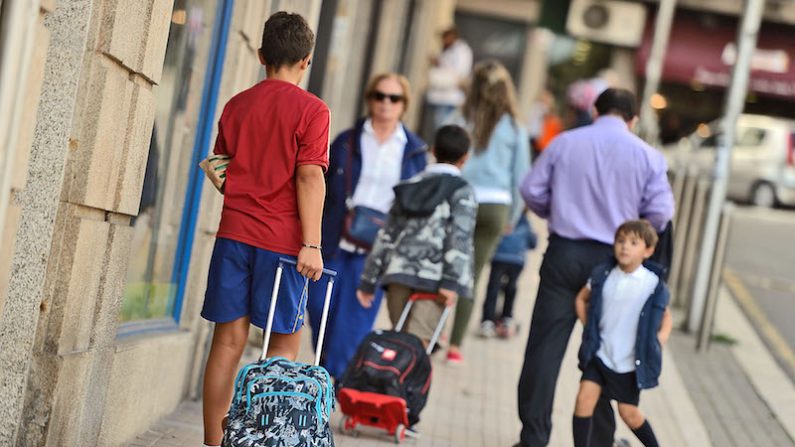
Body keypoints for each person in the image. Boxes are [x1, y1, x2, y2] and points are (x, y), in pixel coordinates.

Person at [515, 88, 675, 447]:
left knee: (544, 349)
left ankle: (534, 437)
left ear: (594, 109)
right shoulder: (648, 156)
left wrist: (555, 212)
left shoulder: (564, 143)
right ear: (633, 119)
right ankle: (599, 441)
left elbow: (531, 190)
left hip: (564, 253)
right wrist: (633, 239)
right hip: (614, 262)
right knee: (607, 347)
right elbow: (661, 214)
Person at [198, 12, 329, 447]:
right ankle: (268, 438)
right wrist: (311, 243)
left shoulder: (237, 105)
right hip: (283, 245)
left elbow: (221, 167)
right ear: (306, 61)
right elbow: (310, 176)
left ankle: (213, 442)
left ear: (261, 56)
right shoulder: (313, 110)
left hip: (234, 234)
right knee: (283, 347)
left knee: (227, 342)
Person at [306, 73, 427, 380]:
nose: (386, 103)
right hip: (335, 238)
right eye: (379, 96)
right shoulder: (347, 140)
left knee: (355, 321)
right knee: (320, 308)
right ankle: (327, 370)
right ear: (370, 99)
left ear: (404, 105)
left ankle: (332, 384)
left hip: (376, 250)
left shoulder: (413, 151)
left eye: (394, 98)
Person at [356, 125, 477, 347]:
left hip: (398, 275)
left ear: (433, 151)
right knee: (417, 349)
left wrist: (368, 281)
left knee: (399, 342)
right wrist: (451, 282)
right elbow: (460, 238)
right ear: (465, 158)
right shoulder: (463, 192)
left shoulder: (408, 187)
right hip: (435, 280)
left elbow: (386, 235)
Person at [447, 60, 531, 364]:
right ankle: (455, 345)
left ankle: (435, 332)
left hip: (460, 200)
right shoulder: (514, 126)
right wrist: (513, 216)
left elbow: (443, 152)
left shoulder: (461, 116)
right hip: (496, 205)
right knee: (472, 274)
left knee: (445, 267)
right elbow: (521, 175)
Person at [574, 220, 673, 447]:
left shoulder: (652, 284)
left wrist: (659, 340)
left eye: (633, 243)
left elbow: (666, 317)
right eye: (620, 241)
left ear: (648, 251)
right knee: (583, 400)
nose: (624, 247)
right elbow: (581, 299)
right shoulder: (603, 275)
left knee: (628, 413)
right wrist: (588, 326)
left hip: (628, 363)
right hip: (601, 355)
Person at [479, 212, 537, 339]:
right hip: (517, 260)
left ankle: (487, 321)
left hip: (498, 257)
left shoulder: (502, 216)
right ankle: (506, 318)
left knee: (493, 288)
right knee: (511, 288)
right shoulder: (525, 223)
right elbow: (533, 243)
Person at [423, 25, 473, 139]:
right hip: (439, 97)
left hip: (448, 98)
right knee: (436, 127)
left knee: (442, 128)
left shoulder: (461, 51)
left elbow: (458, 74)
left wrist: (439, 63)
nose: (443, 40)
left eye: (445, 37)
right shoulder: (448, 50)